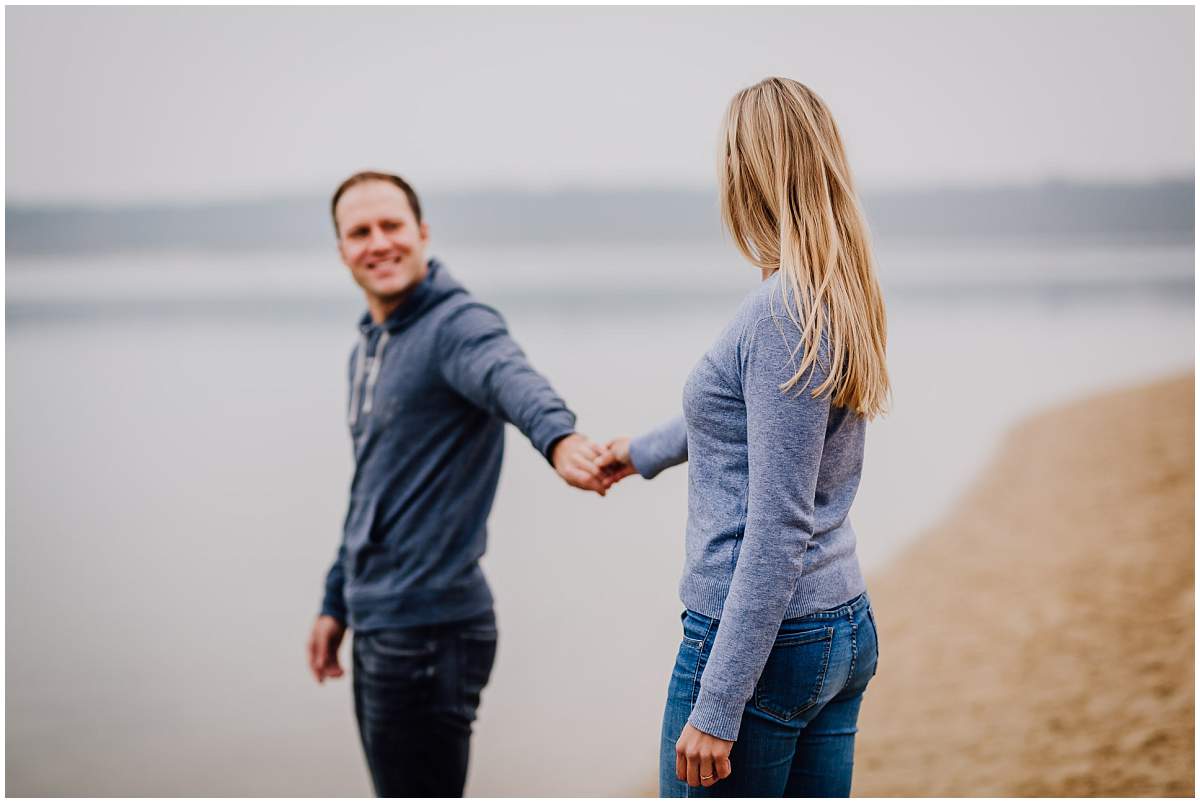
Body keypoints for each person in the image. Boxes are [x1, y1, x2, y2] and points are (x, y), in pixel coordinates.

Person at [597, 78, 890, 797]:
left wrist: (720, 700)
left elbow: (777, 526)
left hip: (764, 640)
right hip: (838, 625)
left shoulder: (779, 312)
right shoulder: (836, 293)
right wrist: (641, 452)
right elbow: (758, 424)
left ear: (746, 173)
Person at [306, 171, 613, 798]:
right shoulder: (371, 346)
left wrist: (558, 438)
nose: (378, 242)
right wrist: (336, 599)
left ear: (421, 233)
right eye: (359, 232)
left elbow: (508, 375)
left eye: (391, 225)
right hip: (381, 618)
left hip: (431, 629)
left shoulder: (456, 325)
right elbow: (372, 485)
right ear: (342, 251)